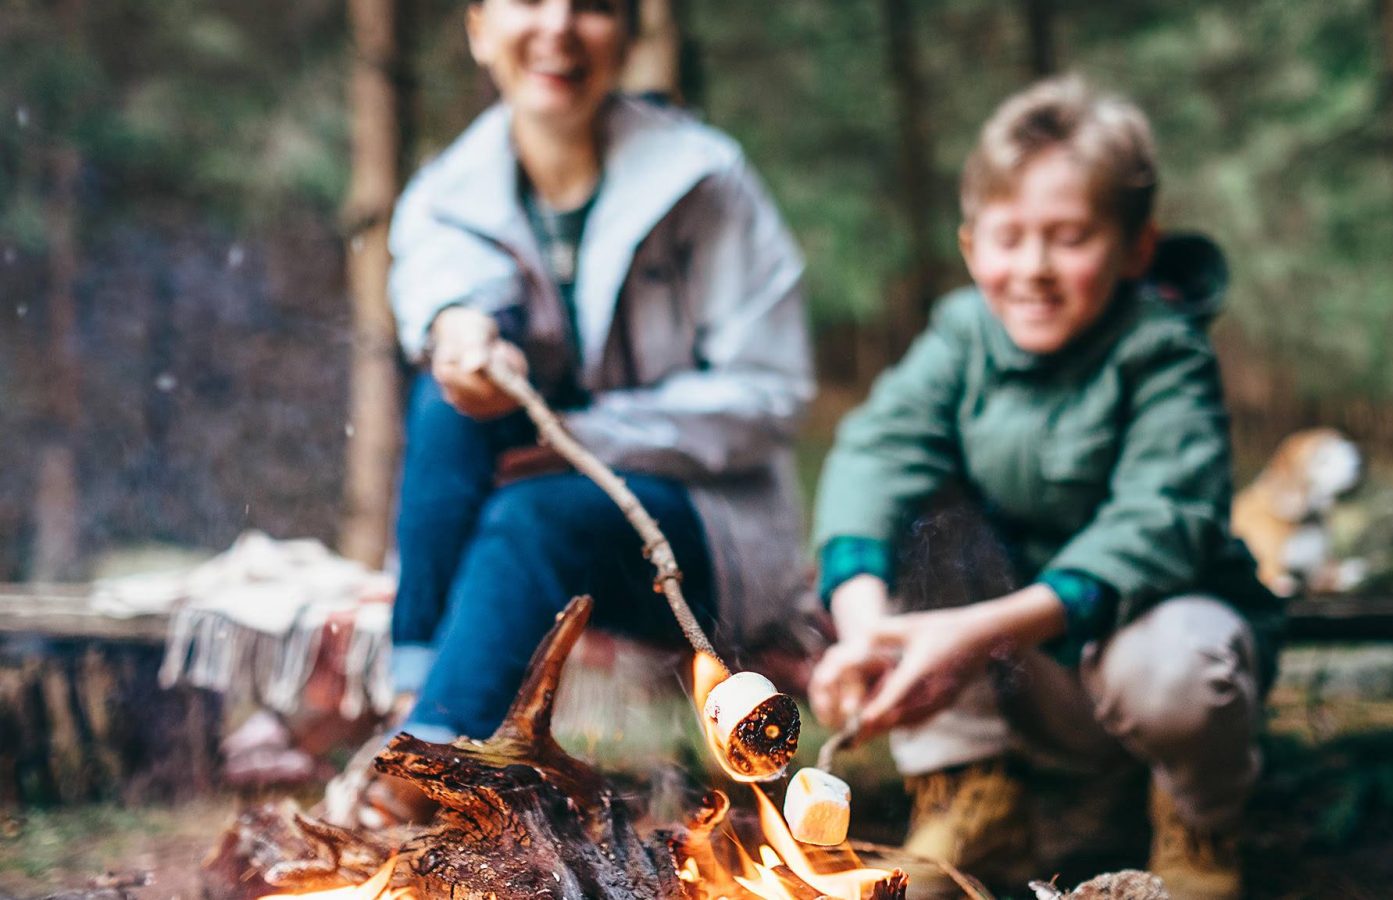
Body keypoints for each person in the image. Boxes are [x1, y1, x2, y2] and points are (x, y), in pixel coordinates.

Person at [806, 76, 1282, 900]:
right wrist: (866, 627)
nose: (1032, 268)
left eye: (1069, 238)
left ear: (1137, 248)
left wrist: (972, 632)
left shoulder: (1165, 353)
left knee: (1178, 664)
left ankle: (1199, 819)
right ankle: (972, 794)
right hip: (1010, 665)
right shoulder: (962, 336)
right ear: (969, 245)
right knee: (920, 515)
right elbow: (875, 455)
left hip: (1134, 657)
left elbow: (1161, 523)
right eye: (1008, 238)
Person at [379, 0, 813, 777]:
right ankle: (410, 705)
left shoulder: (704, 181)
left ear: (627, 34)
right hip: (542, 538)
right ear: (478, 26)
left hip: (702, 535)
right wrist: (458, 330)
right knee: (445, 408)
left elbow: (770, 395)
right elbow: (446, 284)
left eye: (593, 5)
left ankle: (437, 757)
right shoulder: (447, 195)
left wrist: (577, 439)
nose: (558, 27)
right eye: (529, 0)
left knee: (538, 512)